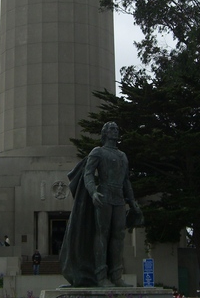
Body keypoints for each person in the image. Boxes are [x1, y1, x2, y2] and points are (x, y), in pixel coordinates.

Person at [60, 121, 144, 288]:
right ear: (105, 133)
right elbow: (88, 174)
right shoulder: (98, 152)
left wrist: (132, 201)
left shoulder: (122, 156)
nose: (115, 131)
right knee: (102, 234)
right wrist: (93, 192)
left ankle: (117, 276)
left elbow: (126, 180)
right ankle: (101, 277)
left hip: (119, 198)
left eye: (116, 128)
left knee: (118, 235)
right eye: (112, 129)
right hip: (104, 195)